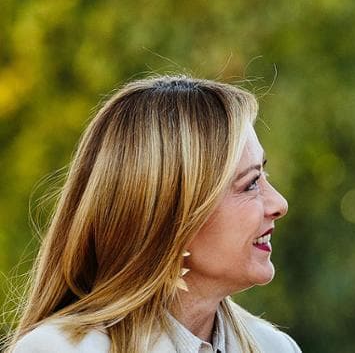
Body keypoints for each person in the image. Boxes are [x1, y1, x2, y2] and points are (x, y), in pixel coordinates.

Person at [8, 76, 301, 353]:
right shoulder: (60, 349)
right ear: (173, 216)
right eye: (251, 183)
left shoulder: (276, 347)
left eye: (263, 175)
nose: (279, 203)